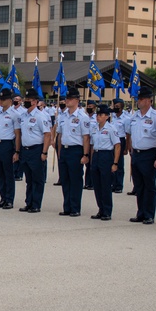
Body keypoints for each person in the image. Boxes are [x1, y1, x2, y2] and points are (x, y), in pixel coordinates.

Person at [128, 88, 156, 224]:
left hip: (149, 153)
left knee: (149, 185)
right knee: (139, 185)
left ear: (149, 100)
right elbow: (130, 134)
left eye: (142, 99)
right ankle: (141, 213)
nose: (139, 101)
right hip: (136, 153)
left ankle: (149, 214)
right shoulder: (134, 116)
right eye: (138, 99)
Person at [56, 87, 91, 217]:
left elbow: (86, 137)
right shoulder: (63, 115)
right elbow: (59, 135)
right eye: (66, 98)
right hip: (64, 150)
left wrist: (85, 154)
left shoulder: (82, 116)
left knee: (75, 180)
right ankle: (67, 206)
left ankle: (75, 207)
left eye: (70, 99)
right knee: (65, 179)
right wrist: (59, 152)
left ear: (77, 100)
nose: (67, 101)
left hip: (76, 150)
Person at [18, 88, 51, 213]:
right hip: (25, 150)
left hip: (36, 150)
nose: (26, 102)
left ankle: (36, 204)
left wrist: (44, 152)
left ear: (35, 102)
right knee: (29, 179)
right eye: (25, 99)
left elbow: (47, 135)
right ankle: (29, 202)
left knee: (38, 179)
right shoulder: (24, 115)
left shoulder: (41, 116)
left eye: (29, 100)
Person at [0, 88, 21, 209]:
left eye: (3, 99)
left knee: (8, 173)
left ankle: (9, 199)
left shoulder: (15, 114)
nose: (1, 101)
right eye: (0, 99)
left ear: (10, 100)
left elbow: (18, 134)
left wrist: (17, 151)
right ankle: (2, 197)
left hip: (8, 145)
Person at [90, 104, 121, 220]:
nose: (98, 117)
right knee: (97, 185)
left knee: (105, 185)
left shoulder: (111, 129)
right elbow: (92, 145)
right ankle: (101, 209)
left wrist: (115, 163)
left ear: (107, 116)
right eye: (97, 114)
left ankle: (107, 211)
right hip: (97, 155)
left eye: (101, 115)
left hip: (106, 156)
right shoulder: (94, 128)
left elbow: (117, 146)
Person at [111, 99, 130, 193]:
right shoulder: (111, 117)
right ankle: (113, 183)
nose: (115, 107)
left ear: (122, 107)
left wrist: (126, 148)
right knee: (112, 162)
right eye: (114, 105)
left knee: (119, 163)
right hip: (111, 140)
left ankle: (119, 185)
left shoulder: (126, 118)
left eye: (117, 106)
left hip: (121, 140)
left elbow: (128, 134)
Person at [83, 99, 97, 190]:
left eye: (90, 107)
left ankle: (92, 183)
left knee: (92, 163)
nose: (89, 108)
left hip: (93, 143)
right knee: (87, 163)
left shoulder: (97, 117)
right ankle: (87, 182)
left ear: (94, 108)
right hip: (85, 143)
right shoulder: (84, 117)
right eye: (87, 107)